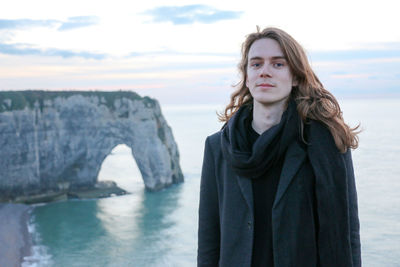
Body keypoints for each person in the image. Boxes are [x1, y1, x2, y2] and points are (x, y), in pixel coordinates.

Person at [197, 27, 361, 267]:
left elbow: (348, 233)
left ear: (295, 77)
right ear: (247, 76)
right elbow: (209, 238)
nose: (264, 71)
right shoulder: (218, 147)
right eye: (256, 64)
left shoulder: (328, 142)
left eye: (278, 64)